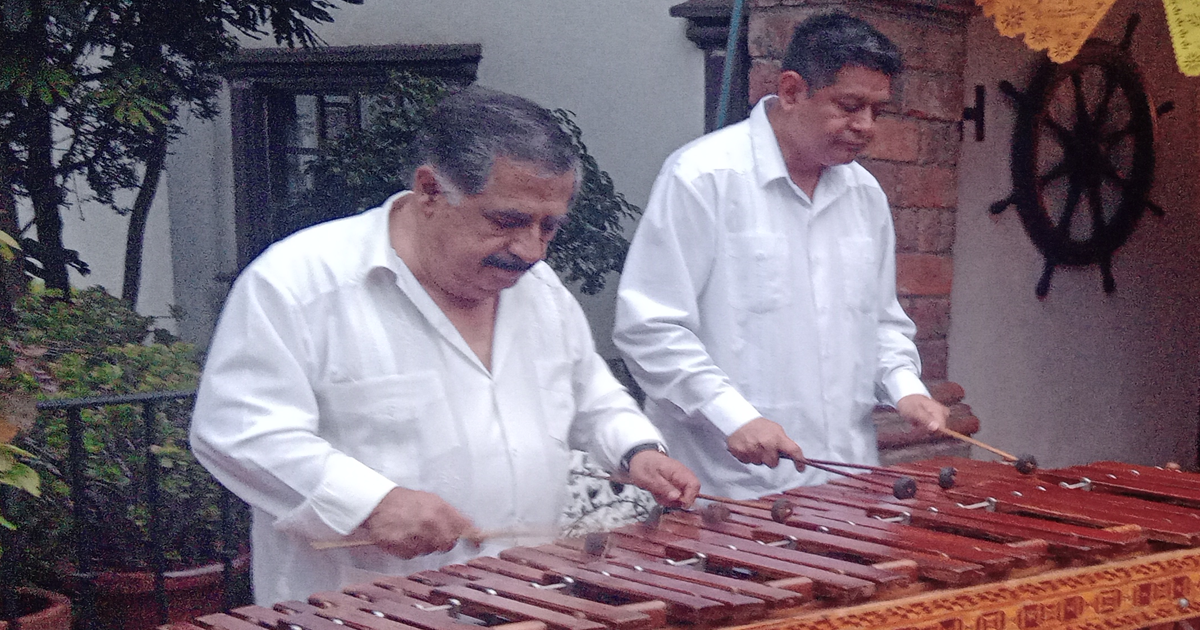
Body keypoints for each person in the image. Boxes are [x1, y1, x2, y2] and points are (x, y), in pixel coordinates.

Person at [190, 86, 700, 604]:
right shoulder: (299, 284)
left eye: (549, 227)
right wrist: (371, 503)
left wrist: (638, 450)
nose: (530, 249)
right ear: (430, 191)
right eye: (507, 221)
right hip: (362, 607)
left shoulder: (541, 292)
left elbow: (592, 397)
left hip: (524, 598)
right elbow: (239, 430)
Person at [613, 13, 949, 501]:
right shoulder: (703, 177)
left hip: (849, 481)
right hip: (728, 489)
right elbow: (651, 328)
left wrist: (904, 386)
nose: (866, 126)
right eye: (850, 106)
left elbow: (880, 322)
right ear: (791, 91)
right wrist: (735, 416)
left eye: (877, 110)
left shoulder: (865, 195)